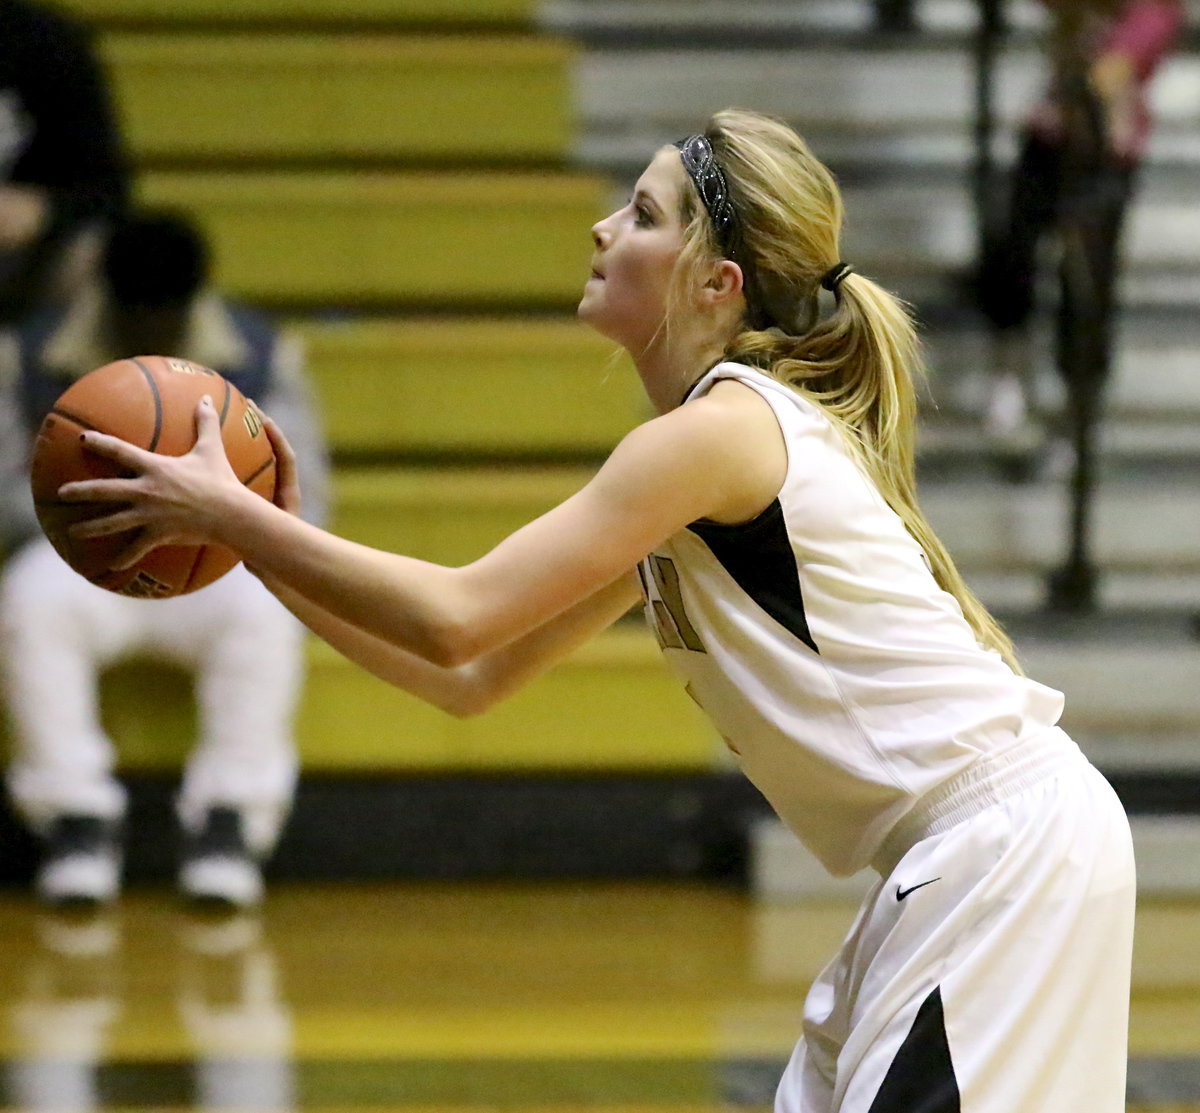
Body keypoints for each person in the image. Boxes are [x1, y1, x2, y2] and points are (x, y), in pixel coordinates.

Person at [60, 109, 1135, 1111]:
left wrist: (242, 521)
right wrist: (255, 551)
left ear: (714, 283)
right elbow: (467, 678)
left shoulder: (716, 436)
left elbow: (457, 614)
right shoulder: (704, 457)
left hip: (998, 854)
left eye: (644, 214)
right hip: (959, 861)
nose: (604, 226)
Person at [0, 209, 329, 910]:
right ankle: (74, 818)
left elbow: (306, 499)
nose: (151, 328)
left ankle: (231, 820)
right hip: (85, 558)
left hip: (216, 560)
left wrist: (215, 515)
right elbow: (1, 495)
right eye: (136, 315)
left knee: (267, 608)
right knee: (29, 599)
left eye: (166, 315)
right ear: (108, 297)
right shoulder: (27, 353)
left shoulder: (261, 354)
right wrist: (92, 505)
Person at [974, 0, 1184, 607]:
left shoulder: (1154, 10)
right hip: (1050, 132)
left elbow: (1117, 67)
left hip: (1106, 153)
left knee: (1086, 292)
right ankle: (1010, 382)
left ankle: (1074, 416)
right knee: (1012, 255)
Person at [0, 0, 130, 325]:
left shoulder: (44, 40)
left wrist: (44, 210)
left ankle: (51, 358)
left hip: (22, 262)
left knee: (92, 251)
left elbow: (108, 191)